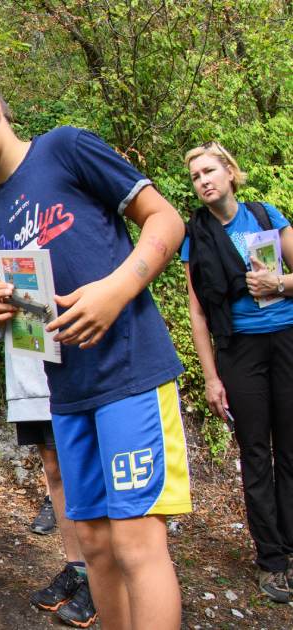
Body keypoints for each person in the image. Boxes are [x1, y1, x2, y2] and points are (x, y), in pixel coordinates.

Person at [0, 71, 189, 630]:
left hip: (130, 370)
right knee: (94, 546)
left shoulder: (66, 148)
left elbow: (166, 220)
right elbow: (37, 312)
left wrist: (116, 290)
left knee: (138, 544)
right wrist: (8, 311)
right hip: (65, 393)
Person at [0, 169, 94, 625]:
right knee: (54, 471)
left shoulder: (47, 226)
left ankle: (102, 573)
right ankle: (77, 566)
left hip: (70, 372)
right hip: (28, 379)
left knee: (82, 471)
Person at [180, 141, 293, 602]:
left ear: (230, 172)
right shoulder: (196, 234)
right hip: (238, 351)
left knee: (290, 451)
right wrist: (211, 377)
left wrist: (279, 283)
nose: (203, 180)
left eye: (209, 171)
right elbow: (198, 312)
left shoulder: (267, 216)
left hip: (286, 340)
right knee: (255, 454)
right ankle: (272, 560)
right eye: (195, 176)